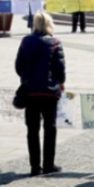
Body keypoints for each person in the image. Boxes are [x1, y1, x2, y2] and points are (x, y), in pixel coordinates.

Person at [16, 13, 66, 176]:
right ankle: (48, 164)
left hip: (30, 91)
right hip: (49, 91)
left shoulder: (26, 41)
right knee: (50, 128)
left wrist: (25, 78)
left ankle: (35, 166)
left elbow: (18, 65)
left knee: (32, 129)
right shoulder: (55, 42)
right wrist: (59, 81)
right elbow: (60, 69)